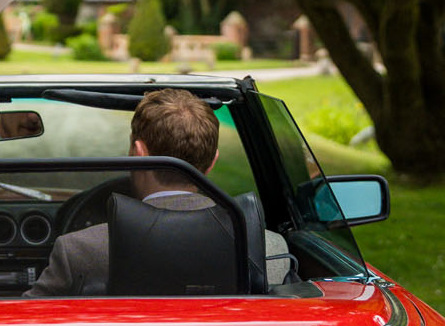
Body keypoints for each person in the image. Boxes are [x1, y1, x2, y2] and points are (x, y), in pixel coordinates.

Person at [25, 88, 289, 297]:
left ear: (138, 153)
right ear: (212, 161)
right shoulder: (269, 249)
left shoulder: (79, 250)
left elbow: (26, 324)